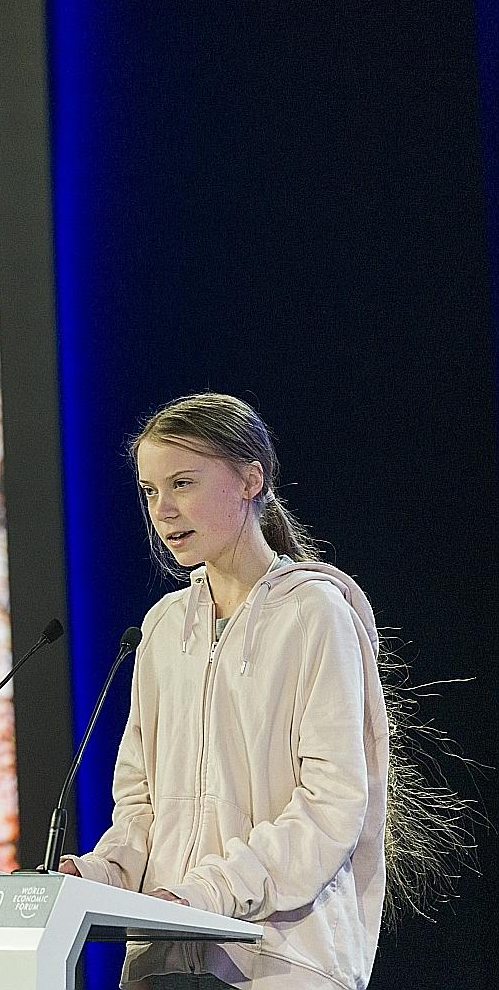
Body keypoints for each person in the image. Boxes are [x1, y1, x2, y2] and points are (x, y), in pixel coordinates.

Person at [60, 393, 389, 990]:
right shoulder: (162, 627)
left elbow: (332, 804)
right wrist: (101, 875)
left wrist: (208, 893)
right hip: (166, 963)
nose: (162, 510)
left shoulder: (314, 613)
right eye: (150, 491)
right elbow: (142, 806)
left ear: (249, 479)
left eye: (182, 483)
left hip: (281, 962)